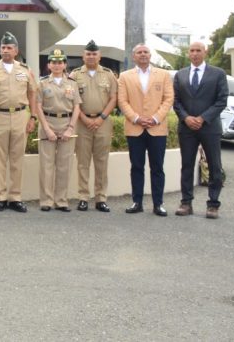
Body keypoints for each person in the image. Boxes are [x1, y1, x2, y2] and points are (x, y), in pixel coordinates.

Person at [0, 31, 37, 213]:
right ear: (0, 50)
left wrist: (33, 116)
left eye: (9, 47)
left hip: (20, 116)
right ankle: (0, 197)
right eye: (3, 47)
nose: (6, 50)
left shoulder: (25, 70)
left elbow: (32, 93)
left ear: (16, 50)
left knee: (17, 159)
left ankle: (15, 197)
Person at [173, 41, 228, 219]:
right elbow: (176, 101)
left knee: (215, 166)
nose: (195, 53)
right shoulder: (180, 75)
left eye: (198, 50)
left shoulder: (218, 74)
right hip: (187, 127)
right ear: (188, 53)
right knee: (187, 166)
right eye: (192, 50)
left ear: (205, 52)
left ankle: (213, 204)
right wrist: (186, 118)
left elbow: (221, 100)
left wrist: (203, 118)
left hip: (210, 127)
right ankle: (186, 202)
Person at [117, 43, 174, 216]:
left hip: (157, 128)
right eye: (139, 52)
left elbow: (168, 98)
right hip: (135, 128)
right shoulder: (125, 76)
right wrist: (136, 118)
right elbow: (122, 101)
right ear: (133, 56)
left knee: (157, 167)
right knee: (136, 166)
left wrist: (155, 118)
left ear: (150, 55)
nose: (143, 55)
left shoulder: (163, 75)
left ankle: (158, 204)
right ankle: (137, 202)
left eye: (146, 52)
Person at [69, 40, 117, 212]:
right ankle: (83, 197)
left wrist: (101, 117)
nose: (91, 56)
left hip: (103, 122)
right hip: (82, 123)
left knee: (101, 162)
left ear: (99, 56)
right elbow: (72, 100)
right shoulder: (74, 75)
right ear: (83, 56)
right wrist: (84, 118)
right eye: (88, 54)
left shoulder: (108, 74)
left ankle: (101, 198)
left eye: (94, 54)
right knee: (82, 162)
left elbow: (113, 98)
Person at [36, 49, 81, 212]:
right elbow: (38, 107)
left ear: (65, 65)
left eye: (60, 62)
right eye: (53, 62)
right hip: (48, 123)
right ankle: (46, 201)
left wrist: (70, 128)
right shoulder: (42, 83)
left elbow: (77, 107)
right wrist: (47, 129)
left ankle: (61, 200)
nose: (57, 65)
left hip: (67, 124)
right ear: (48, 65)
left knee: (64, 165)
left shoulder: (72, 83)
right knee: (46, 165)